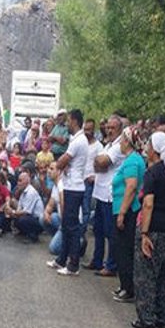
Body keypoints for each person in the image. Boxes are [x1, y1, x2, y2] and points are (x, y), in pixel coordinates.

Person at [132, 132, 165, 328]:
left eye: (149, 144)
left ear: (155, 150)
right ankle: (162, 316)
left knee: (146, 273)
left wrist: (144, 233)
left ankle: (146, 318)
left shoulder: (152, 173)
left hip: (154, 228)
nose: (146, 148)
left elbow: (148, 204)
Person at [47, 109, 89, 276]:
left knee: (71, 227)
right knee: (65, 225)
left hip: (74, 187)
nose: (67, 124)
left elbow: (62, 161)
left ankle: (73, 264)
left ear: (75, 121)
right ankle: (61, 259)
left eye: (69, 121)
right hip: (71, 185)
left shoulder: (78, 141)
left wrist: (60, 164)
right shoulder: (76, 139)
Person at [111, 126, 145, 302]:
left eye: (122, 140)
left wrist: (122, 213)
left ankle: (129, 288)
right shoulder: (131, 159)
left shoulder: (132, 161)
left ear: (127, 141)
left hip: (128, 211)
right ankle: (125, 285)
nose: (120, 143)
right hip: (121, 208)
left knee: (124, 248)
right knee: (121, 248)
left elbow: (131, 187)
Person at [87, 115, 125, 276]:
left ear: (120, 129)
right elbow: (98, 165)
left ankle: (111, 265)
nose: (109, 130)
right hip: (100, 193)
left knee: (111, 233)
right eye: (108, 127)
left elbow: (102, 163)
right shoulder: (107, 145)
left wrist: (98, 161)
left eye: (112, 128)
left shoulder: (118, 146)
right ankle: (97, 261)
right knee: (98, 231)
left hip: (110, 195)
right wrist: (99, 162)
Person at [80, 119, 104, 254]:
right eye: (85, 129)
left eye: (90, 130)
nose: (87, 132)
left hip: (89, 182)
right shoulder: (81, 143)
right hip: (79, 181)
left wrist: (95, 177)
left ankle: (81, 236)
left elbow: (102, 164)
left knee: (86, 210)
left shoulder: (99, 146)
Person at [8, 172, 44, 242]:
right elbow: (19, 209)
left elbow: (26, 212)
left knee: (22, 219)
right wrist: (12, 213)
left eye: (20, 181)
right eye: (18, 181)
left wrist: (13, 212)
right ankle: (25, 233)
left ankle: (33, 236)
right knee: (16, 219)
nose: (18, 183)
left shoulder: (31, 192)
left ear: (27, 181)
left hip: (38, 220)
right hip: (30, 218)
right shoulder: (23, 193)